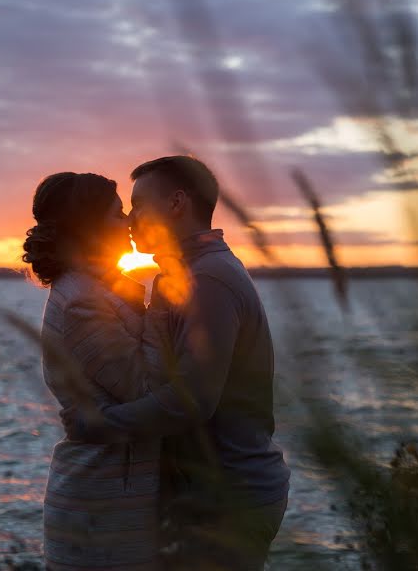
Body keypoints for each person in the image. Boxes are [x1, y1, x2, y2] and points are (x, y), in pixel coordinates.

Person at [63, 156, 290, 571]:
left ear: (177, 203)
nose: (130, 218)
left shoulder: (208, 280)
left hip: (228, 500)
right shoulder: (183, 275)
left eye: (139, 205)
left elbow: (193, 399)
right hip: (204, 494)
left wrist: (99, 424)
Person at [22, 172, 161, 570]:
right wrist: (165, 309)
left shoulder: (97, 290)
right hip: (102, 507)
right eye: (118, 215)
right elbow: (145, 387)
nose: (130, 222)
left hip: (115, 498)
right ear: (89, 228)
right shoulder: (83, 302)